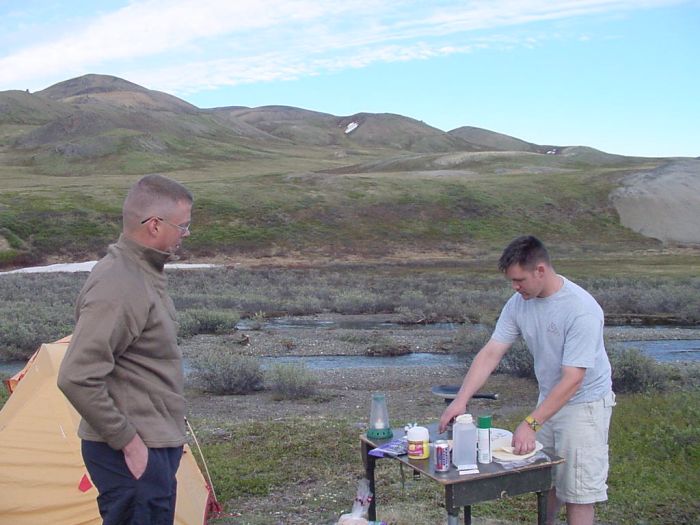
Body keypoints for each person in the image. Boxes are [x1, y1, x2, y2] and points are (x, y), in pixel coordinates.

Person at [439, 235, 615, 525]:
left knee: (578, 491)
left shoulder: (581, 309)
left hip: (585, 407)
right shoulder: (518, 303)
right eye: (511, 281)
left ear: (540, 271)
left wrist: (531, 422)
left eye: (519, 280)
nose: (515, 287)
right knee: (545, 481)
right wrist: (461, 400)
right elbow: (491, 352)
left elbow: (573, 379)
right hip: (548, 400)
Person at [58, 174, 193, 525]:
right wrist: (130, 443)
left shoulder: (142, 272)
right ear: (153, 225)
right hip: (133, 453)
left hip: (152, 444)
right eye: (183, 226)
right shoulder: (119, 282)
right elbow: (76, 376)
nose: (185, 235)